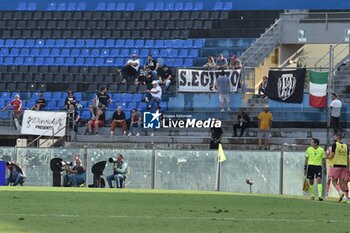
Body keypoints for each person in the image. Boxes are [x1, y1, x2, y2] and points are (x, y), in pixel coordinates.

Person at [326, 133, 350, 203]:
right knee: (342, 182)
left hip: (336, 165)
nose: (333, 137)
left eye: (334, 137)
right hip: (344, 166)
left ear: (337, 137)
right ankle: (346, 197)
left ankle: (340, 192)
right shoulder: (346, 146)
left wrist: (325, 157)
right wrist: (347, 168)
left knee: (333, 181)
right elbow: (347, 158)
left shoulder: (334, 145)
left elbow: (332, 155)